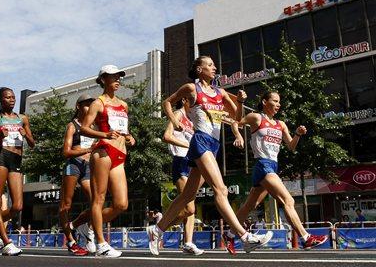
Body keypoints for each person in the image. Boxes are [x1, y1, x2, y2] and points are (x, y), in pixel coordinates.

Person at [147, 56, 273, 256]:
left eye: (214, 65)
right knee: (221, 189)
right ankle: (243, 236)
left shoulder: (220, 92)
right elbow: (167, 102)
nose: (214, 68)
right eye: (210, 65)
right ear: (199, 69)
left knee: (187, 195)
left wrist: (239, 101)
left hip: (214, 145)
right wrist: (174, 120)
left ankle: (157, 230)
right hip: (201, 141)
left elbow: (236, 118)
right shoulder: (191, 89)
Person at [224, 91, 328, 252]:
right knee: (288, 200)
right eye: (275, 101)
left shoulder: (281, 124)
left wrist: (298, 135)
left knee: (250, 205)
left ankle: (229, 235)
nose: (278, 104)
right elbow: (236, 122)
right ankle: (305, 238)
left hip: (273, 165)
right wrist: (239, 136)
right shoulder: (256, 117)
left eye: (279, 101)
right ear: (265, 102)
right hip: (262, 165)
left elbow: (291, 147)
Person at [80, 65, 135, 258]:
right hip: (103, 151)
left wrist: (129, 136)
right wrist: (105, 133)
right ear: (103, 79)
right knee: (99, 199)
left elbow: (123, 129)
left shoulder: (124, 105)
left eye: (119, 77)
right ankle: (102, 244)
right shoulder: (98, 103)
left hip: (119, 153)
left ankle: (89, 227)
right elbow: (84, 129)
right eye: (113, 77)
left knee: (122, 204)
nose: (117, 80)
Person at [0, 87, 35, 256]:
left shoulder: (22, 118)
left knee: (17, 206)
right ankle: (6, 242)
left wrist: (26, 135)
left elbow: (32, 144)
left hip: (16, 160)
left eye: (13, 97)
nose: (12, 100)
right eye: (7, 97)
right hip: (1, 158)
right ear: (0, 101)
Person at [161, 97, 203, 255]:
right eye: (193, 100)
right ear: (184, 100)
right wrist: (189, 146)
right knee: (190, 207)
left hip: (192, 163)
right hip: (180, 162)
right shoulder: (178, 114)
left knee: (191, 206)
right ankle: (159, 228)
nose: (196, 103)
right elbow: (167, 136)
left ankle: (188, 242)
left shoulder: (191, 120)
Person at [59, 94, 96, 256]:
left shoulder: (93, 126)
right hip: (73, 165)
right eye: (86, 104)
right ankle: (70, 241)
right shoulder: (72, 126)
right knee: (65, 205)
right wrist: (87, 150)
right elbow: (66, 151)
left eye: (91, 104)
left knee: (96, 201)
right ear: (78, 107)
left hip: (88, 167)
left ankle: (78, 225)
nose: (89, 107)